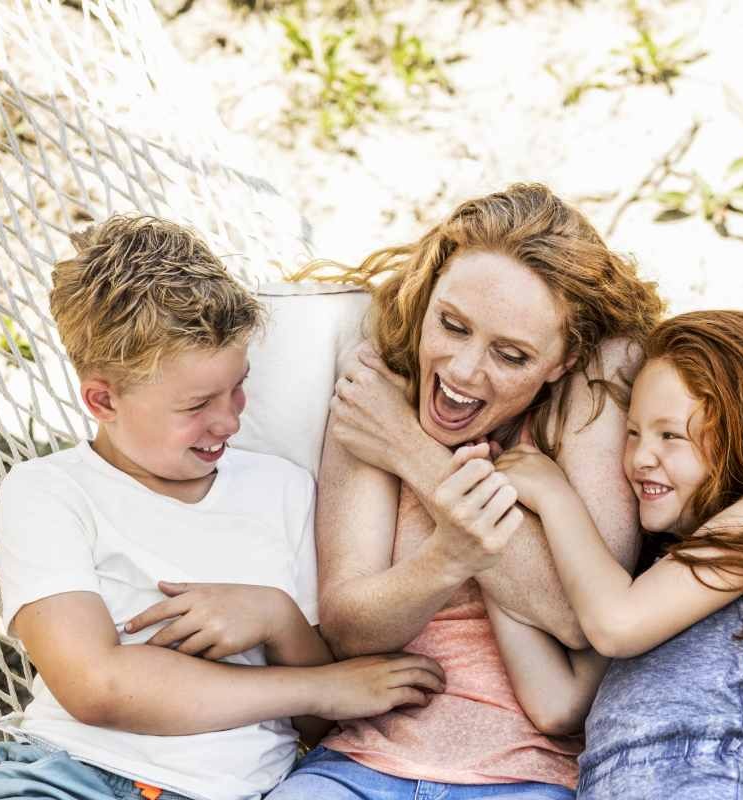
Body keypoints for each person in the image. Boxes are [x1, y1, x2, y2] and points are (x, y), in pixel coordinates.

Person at [0, 216, 444, 800]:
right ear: (103, 399)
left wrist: (276, 617)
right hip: (71, 776)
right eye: (197, 404)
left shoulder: (282, 489)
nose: (229, 420)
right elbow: (95, 684)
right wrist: (318, 687)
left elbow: (319, 725)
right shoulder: (47, 491)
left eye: (239, 386)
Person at [269, 183, 665, 798]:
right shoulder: (379, 389)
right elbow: (350, 629)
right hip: (357, 767)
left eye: (510, 356)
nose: (460, 371)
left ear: (562, 363)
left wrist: (411, 452)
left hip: (523, 777)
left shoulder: (587, 399)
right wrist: (446, 559)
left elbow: (579, 617)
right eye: (452, 325)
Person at [491, 310, 743, 799]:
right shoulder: (656, 580)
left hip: (705, 779)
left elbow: (615, 623)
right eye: (633, 432)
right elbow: (556, 703)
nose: (642, 457)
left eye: (671, 435)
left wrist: (554, 496)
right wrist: (489, 552)